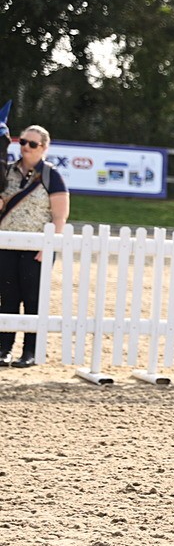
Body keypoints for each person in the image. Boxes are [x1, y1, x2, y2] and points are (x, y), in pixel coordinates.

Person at [0, 124, 70, 367]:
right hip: (6, 244)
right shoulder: (6, 172)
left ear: (44, 147)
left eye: (32, 144)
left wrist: (49, 246)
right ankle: (3, 349)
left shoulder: (52, 175)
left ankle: (29, 351)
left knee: (32, 299)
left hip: (37, 247)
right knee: (7, 298)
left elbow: (60, 216)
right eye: (22, 142)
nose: (26, 148)